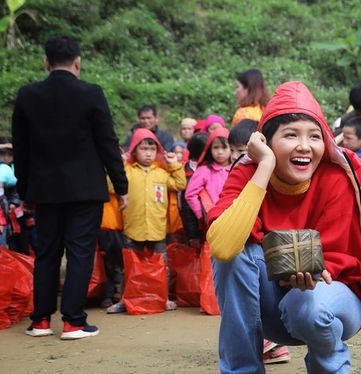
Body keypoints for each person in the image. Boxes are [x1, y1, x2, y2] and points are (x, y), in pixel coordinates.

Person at [204, 81, 361, 374]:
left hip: (327, 299)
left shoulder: (335, 179)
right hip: (267, 310)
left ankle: (330, 373)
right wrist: (262, 169)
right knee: (232, 254)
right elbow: (220, 244)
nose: (305, 146)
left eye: (314, 135)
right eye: (291, 135)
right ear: (265, 141)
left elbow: (344, 258)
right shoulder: (249, 174)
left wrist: (308, 275)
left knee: (307, 303)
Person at [12, 35, 128, 339]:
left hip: (45, 191)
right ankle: (73, 321)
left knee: (47, 253)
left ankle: (40, 321)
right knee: (80, 252)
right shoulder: (91, 94)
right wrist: (121, 185)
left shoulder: (28, 96)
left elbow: (21, 150)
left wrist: (26, 193)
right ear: (78, 62)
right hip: (85, 189)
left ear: (46, 62)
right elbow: (108, 143)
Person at [106, 128, 186, 314]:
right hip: (132, 228)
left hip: (157, 229)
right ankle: (125, 300)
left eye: (152, 149)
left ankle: (163, 298)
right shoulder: (127, 172)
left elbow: (180, 184)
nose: (148, 153)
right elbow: (111, 187)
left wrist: (174, 165)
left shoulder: (162, 173)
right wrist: (120, 165)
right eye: (143, 149)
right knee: (129, 266)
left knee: (161, 266)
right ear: (134, 150)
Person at [185, 126, 232, 225]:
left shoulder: (236, 168)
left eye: (224, 147)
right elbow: (190, 194)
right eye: (216, 147)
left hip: (235, 217)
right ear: (209, 149)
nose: (220, 152)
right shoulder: (204, 170)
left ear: (231, 147)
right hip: (213, 220)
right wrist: (201, 215)